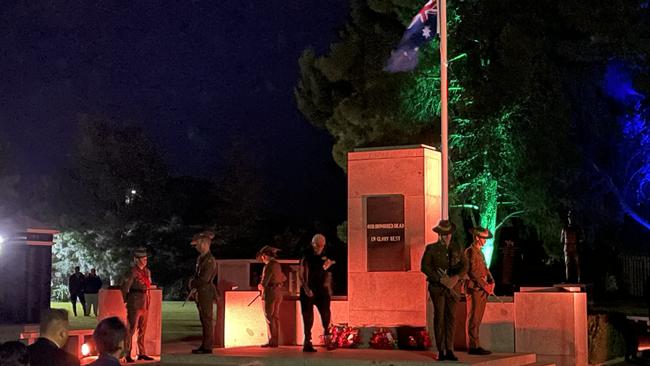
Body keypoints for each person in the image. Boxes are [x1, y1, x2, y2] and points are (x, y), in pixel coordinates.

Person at [420, 219, 466, 361]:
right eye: (444, 234)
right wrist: (440, 279)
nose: (446, 237)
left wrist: (456, 278)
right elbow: (425, 267)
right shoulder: (431, 248)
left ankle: (450, 349)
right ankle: (441, 350)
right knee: (439, 318)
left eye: (448, 234)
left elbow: (465, 265)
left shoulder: (457, 247)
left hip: (453, 288)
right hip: (437, 288)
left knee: (451, 318)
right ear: (439, 235)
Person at [299, 233, 336, 352]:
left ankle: (328, 338)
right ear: (312, 244)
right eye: (316, 246)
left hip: (322, 290)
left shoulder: (326, 254)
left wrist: (329, 265)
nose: (318, 248)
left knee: (326, 314)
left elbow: (330, 272)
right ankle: (307, 342)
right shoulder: (306, 255)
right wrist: (306, 288)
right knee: (307, 317)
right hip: (308, 289)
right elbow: (301, 273)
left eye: (321, 246)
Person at [465, 227, 495, 355]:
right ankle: (473, 346)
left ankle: (476, 344)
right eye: (483, 238)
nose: (485, 241)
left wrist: (491, 281)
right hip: (475, 289)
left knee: (478, 318)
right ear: (477, 238)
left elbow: (485, 269)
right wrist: (484, 285)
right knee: (474, 318)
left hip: (481, 289)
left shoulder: (480, 252)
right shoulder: (470, 252)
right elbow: (473, 272)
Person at [121, 247, 154, 362]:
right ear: (137, 260)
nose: (145, 260)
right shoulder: (132, 272)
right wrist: (126, 300)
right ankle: (127, 354)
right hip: (134, 301)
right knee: (131, 329)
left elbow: (148, 285)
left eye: (146, 258)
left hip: (145, 301)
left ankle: (142, 353)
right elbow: (125, 287)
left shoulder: (146, 271)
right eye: (143, 259)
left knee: (143, 329)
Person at [189, 231, 218, 354]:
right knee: (203, 319)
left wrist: (193, 283)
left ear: (204, 244)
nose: (196, 247)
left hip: (206, 291)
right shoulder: (202, 258)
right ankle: (205, 345)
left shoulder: (209, 259)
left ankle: (207, 346)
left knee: (207, 319)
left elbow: (204, 278)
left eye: (198, 244)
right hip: (201, 291)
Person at [257, 245, 286, 348]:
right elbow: (283, 277)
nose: (262, 258)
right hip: (278, 292)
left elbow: (264, 282)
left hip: (270, 293)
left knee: (269, 317)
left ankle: (271, 340)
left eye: (263, 256)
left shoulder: (268, 266)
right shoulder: (277, 265)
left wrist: (260, 286)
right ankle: (275, 340)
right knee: (275, 317)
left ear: (265, 255)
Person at [561, 210, 583, 283]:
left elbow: (581, 239)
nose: (570, 218)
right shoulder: (564, 228)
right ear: (568, 218)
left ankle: (579, 279)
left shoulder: (577, 228)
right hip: (567, 248)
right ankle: (568, 279)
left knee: (578, 264)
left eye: (572, 217)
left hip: (575, 247)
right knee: (567, 264)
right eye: (569, 217)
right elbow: (561, 240)